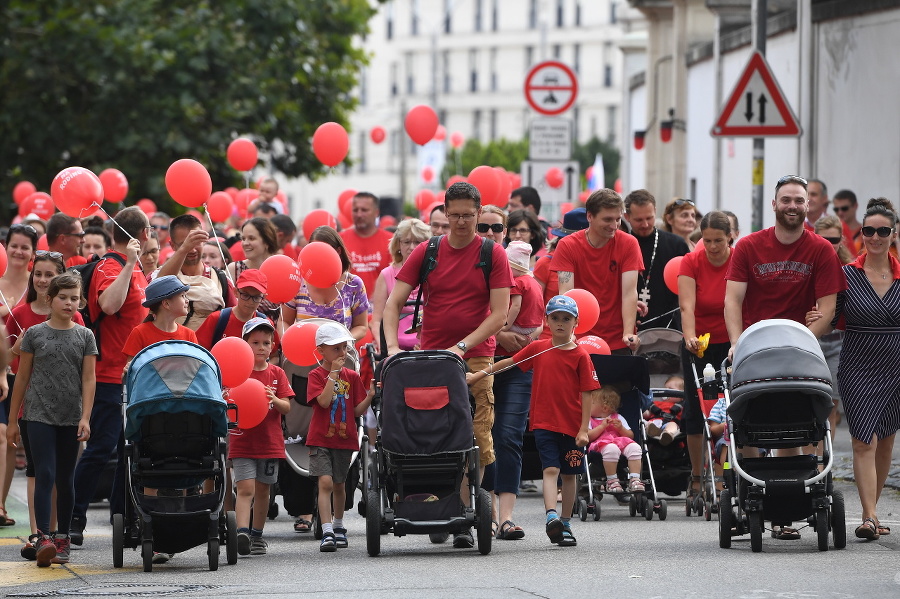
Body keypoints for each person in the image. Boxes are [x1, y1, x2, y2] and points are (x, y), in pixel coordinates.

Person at [383, 181, 512, 549]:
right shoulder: (428, 250)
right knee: (432, 430)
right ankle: (437, 505)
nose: (460, 223)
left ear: (478, 212)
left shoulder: (492, 253)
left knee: (477, 433)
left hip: (475, 355)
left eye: (468, 216)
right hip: (431, 358)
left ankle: (463, 511)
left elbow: (499, 314)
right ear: (443, 213)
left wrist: (462, 346)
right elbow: (393, 304)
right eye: (453, 215)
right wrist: (393, 348)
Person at [724, 175, 846, 540]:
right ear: (774, 205)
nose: (792, 206)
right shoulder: (748, 246)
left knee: (793, 419)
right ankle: (752, 493)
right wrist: (735, 343)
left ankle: (786, 501)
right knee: (748, 420)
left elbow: (827, 308)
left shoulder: (821, 250)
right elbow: (733, 300)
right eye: (786, 200)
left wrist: (806, 338)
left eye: (799, 200)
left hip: (802, 348)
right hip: (754, 348)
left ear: (808, 206)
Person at [466, 295, 598, 547]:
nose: (560, 323)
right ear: (547, 320)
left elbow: (588, 392)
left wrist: (583, 429)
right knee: (550, 469)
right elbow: (508, 363)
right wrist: (479, 375)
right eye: (555, 318)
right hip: (545, 423)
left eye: (566, 319)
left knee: (569, 475)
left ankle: (566, 523)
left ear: (575, 323)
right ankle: (551, 517)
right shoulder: (539, 348)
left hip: (572, 426)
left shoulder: (581, 355)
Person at [814, 198, 900, 541]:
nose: (875, 237)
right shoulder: (847, 275)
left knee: (886, 442)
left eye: (883, 231)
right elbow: (829, 319)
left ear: (893, 234)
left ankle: (873, 511)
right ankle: (868, 515)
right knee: (864, 439)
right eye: (869, 231)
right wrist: (808, 325)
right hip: (858, 364)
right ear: (861, 234)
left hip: (895, 365)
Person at [280, 226, 370, 533]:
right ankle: (303, 508)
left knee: (336, 415)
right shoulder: (297, 285)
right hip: (302, 364)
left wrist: (341, 341)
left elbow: (362, 327)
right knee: (302, 424)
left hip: (340, 362)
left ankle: (336, 508)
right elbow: (286, 324)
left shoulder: (353, 285)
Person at [70, 206, 150, 547]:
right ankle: (73, 518)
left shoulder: (137, 269)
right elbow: (108, 305)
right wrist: (130, 263)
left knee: (127, 450)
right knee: (101, 448)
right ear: (142, 235)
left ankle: (124, 518)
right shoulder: (111, 265)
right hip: (108, 375)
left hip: (135, 376)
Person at [6, 273, 97, 567]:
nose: (69, 303)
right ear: (49, 299)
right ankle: (43, 537)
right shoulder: (34, 334)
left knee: (65, 478)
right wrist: (12, 421)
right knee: (44, 473)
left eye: (74, 298)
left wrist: (85, 417)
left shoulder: (85, 336)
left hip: (71, 416)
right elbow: (21, 377)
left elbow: (88, 378)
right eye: (63, 297)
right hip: (37, 414)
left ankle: (62, 538)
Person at [482, 240, 544, 539]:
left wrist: (532, 336)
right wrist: (501, 334)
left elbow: (541, 319)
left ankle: (506, 517)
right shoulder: (479, 266)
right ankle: (487, 512)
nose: (489, 232)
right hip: (481, 362)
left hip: (518, 367)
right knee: (482, 436)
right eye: (485, 228)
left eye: (496, 228)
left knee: (508, 436)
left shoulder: (522, 279)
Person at [678, 211, 733, 500]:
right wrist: (690, 337)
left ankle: (724, 470)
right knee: (696, 410)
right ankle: (697, 475)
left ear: (729, 238)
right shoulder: (691, 261)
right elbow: (687, 306)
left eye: (718, 241)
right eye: (707, 240)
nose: (712, 247)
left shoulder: (738, 259)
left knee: (730, 410)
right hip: (699, 343)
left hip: (731, 342)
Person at [306, 322, 373, 551]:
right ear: (321, 351)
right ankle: (326, 531)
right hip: (320, 438)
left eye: (344, 348)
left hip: (344, 439)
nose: (342, 353)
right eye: (336, 349)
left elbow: (356, 411)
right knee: (324, 482)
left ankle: (338, 525)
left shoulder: (352, 376)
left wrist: (371, 395)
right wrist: (333, 374)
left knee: (339, 484)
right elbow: (323, 402)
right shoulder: (315, 375)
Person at [552, 189, 643, 354]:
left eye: (617, 219)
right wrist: (570, 333)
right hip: (579, 339)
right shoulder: (568, 245)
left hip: (617, 339)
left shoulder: (629, 244)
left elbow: (630, 293)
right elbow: (567, 295)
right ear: (589, 217)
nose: (614, 226)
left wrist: (628, 333)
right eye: (607, 219)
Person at [231, 318, 292, 556]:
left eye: (266, 342)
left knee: (265, 490)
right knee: (245, 488)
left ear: (272, 346)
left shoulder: (277, 373)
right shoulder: (237, 373)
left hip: (269, 443)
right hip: (243, 441)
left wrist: (274, 400)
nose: (261, 347)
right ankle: (242, 533)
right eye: (255, 342)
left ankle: (257, 535)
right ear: (245, 344)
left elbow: (287, 407)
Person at [812, 215, 854, 438]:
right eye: (823, 239)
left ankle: (826, 462)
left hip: (839, 343)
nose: (829, 245)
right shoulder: (809, 264)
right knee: (812, 405)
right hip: (813, 340)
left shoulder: (850, 270)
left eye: (834, 240)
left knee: (831, 407)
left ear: (842, 240)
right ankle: (814, 463)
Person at [154, 214, 235, 331]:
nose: (191, 249)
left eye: (196, 242)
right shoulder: (158, 275)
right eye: (185, 244)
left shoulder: (221, 279)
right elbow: (158, 288)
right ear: (172, 245)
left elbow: (233, 319)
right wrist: (183, 250)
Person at [624, 189, 690, 331]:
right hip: (629, 325)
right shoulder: (620, 245)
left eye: (649, 218)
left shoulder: (676, 244)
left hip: (670, 326)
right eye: (639, 220)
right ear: (627, 216)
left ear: (655, 210)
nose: (645, 224)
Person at [368, 218, 430, 354]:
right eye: (407, 242)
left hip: (428, 345)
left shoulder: (433, 273)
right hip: (394, 347)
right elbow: (376, 321)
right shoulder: (386, 275)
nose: (412, 247)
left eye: (418, 242)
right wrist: (385, 347)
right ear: (398, 245)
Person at [196, 270, 276, 350]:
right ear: (235, 292)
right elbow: (198, 351)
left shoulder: (267, 324)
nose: (250, 302)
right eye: (245, 295)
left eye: (256, 297)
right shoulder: (217, 319)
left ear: (263, 298)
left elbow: (274, 355)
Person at [587, 387, 644, 493]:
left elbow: (630, 436)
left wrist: (621, 428)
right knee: (611, 448)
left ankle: (635, 478)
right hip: (600, 444)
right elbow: (588, 437)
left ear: (604, 408)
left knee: (635, 447)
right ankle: (611, 480)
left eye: (591, 403)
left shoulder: (618, 417)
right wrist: (601, 427)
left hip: (620, 441)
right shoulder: (589, 419)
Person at [339, 192, 393, 299]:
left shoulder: (391, 241)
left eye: (364, 210)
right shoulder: (339, 240)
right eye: (355, 210)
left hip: (380, 309)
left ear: (376, 212)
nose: (359, 214)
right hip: (347, 308)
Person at [227, 218, 282, 322]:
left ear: (266, 242)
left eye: (251, 238)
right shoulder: (234, 269)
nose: (245, 243)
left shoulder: (281, 269)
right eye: (243, 238)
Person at [832, 189, 862, 253]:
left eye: (844, 208)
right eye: (836, 209)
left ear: (855, 206)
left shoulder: (866, 233)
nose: (840, 212)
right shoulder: (831, 233)